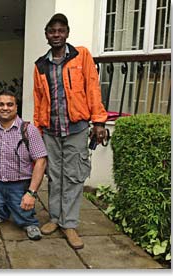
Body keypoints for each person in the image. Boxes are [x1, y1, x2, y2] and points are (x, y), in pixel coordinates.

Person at [33, 13, 108, 249]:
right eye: (52, 31)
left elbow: (93, 87)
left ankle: (70, 223)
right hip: (51, 131)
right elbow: (38, 100)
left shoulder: (81, 55)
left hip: (77, 128)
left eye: (60, 30)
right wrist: (36, 132)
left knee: (74, 176)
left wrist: (99, 121)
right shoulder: (40, 65)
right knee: (55, 177)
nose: (56, 35)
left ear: (67, 32)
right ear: (46, 34)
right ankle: (55, 218)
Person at [0, 91, 47, 240]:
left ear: (16, 108)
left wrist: (31, 193)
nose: (5, 108)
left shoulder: (28, 130)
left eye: (9, 104)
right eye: (0, 104)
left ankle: (29, 223)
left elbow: (41, 161)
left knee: (24, 210)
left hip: (20, 183)